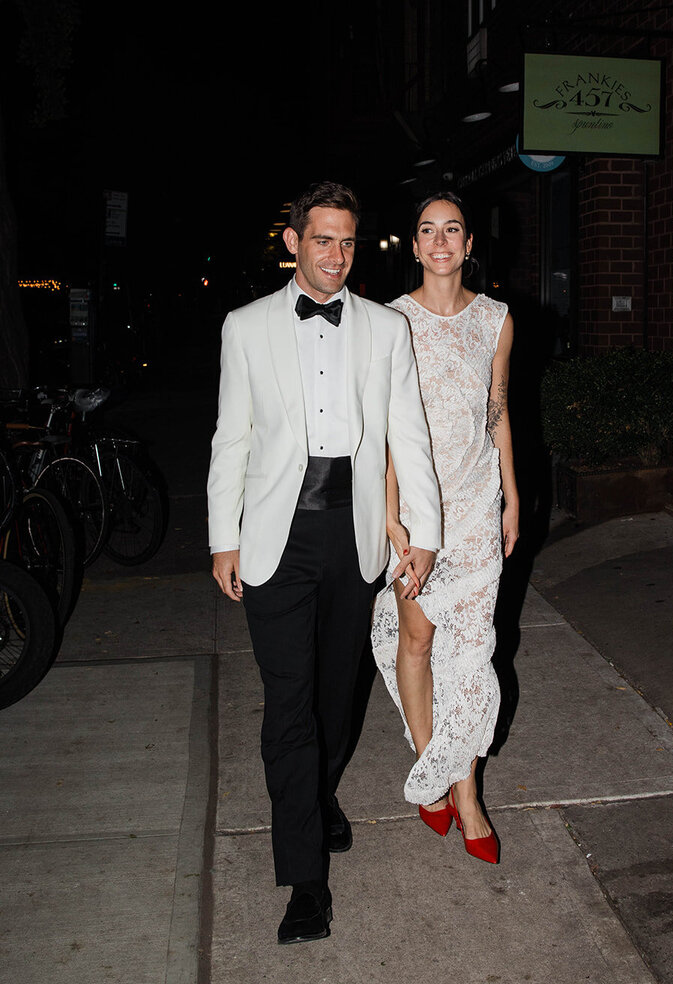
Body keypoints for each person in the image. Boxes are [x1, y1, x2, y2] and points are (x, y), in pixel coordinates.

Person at [207, 182, 440, 945]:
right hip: (278, 535)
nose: (336, 256)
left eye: (347, 242)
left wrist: (424, 531)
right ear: (292, 243)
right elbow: (230, 440)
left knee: (339, 696)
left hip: (354, 534)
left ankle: (320, 790)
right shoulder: (244, 328)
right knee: (288, 707)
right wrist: (223, 537)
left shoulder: (383, 328)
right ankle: (305, 880)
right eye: (322, 240)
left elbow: (409, 435)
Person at [371, 190, 519, 864]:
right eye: (426, 229)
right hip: (419, 510)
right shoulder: (391, 323)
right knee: (419, 637)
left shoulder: (496, 320)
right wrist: (393, 515)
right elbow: (388, 436)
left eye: (451, 229)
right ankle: (433, 768)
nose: (439, 241)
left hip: (478, 505)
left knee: (472, 657)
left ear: (467, 244)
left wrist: (512, 497)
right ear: (415, 243)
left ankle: (464, 794)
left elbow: (498, 410)